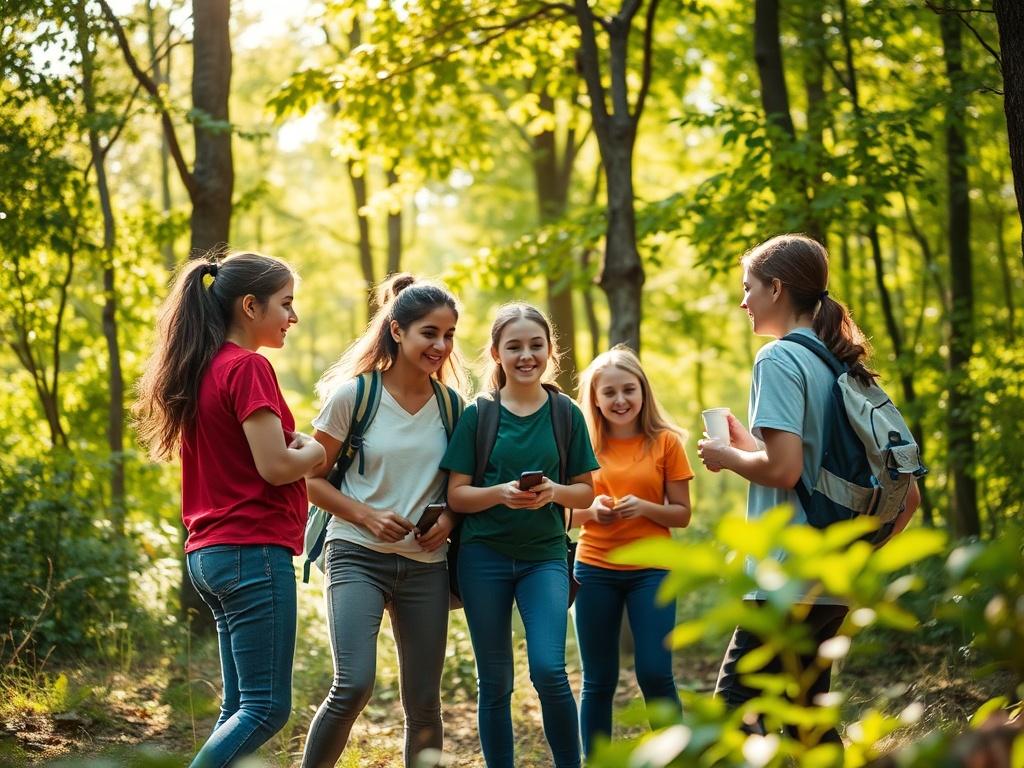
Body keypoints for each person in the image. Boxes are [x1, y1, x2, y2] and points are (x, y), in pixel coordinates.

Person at [697, 234, 920, 745]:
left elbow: (782, 472)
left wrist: (728, 457)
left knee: (732, 720)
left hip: (786, 579)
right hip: (832, 580)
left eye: (748, 287)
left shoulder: (776, 360)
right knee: (807, 721)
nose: (743, 301)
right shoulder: (840, 364)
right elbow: (905, 497)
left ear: (776, 288)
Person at [134, 252, 326, 768]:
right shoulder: (247, 367)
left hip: (211, 553)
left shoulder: (202, 367)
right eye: (285, 304)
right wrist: (315, 452)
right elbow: (275, 466)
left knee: (240, 706)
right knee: (266, 709)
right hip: (251, 550)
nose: (293, 316)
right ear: (249, 305)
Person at [300, 274, 466, 768]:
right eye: (429, 333)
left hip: (426, 565)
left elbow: (459, 490)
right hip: (355, 552)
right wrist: (366, 516)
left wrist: (452, 518)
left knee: (424, 704)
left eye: (449, 334)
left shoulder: (454, 407)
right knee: (352, 685)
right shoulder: (354, 396)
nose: (441, 345)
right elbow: (308, 480)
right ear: (397, 330)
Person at [440, 303, 598, 768]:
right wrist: (500, 494)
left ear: (550, 351)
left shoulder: (565, 413)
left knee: (550, 670)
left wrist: (552, 493)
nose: (526, 355)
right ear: (496, 352)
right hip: (481, 558)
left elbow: (586, 493)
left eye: (536, 345)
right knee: (494, 681)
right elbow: (458, 496)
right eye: (514, 346)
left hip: (544, 558)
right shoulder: (479, 414)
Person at [572, 344, 693, 756]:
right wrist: (592, 512)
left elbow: (681, 515)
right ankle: (596, 761)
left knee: (656, 673)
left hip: (652, 570)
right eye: (609, 393)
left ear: (643, 392)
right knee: (598, 679)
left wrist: (645, 508)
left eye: (629, 390)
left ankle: (675, 758)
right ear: (596, 399)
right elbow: (563, 518)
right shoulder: (581, 446)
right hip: (594, 569)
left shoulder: (666, 443)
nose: (620, 400)